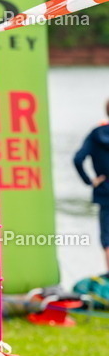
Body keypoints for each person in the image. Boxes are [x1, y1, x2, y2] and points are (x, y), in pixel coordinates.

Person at [73, 105, 109, 274]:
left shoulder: (95, 134)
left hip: (104, 190)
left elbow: (78, 159)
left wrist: (89, 181)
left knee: (107, 237)